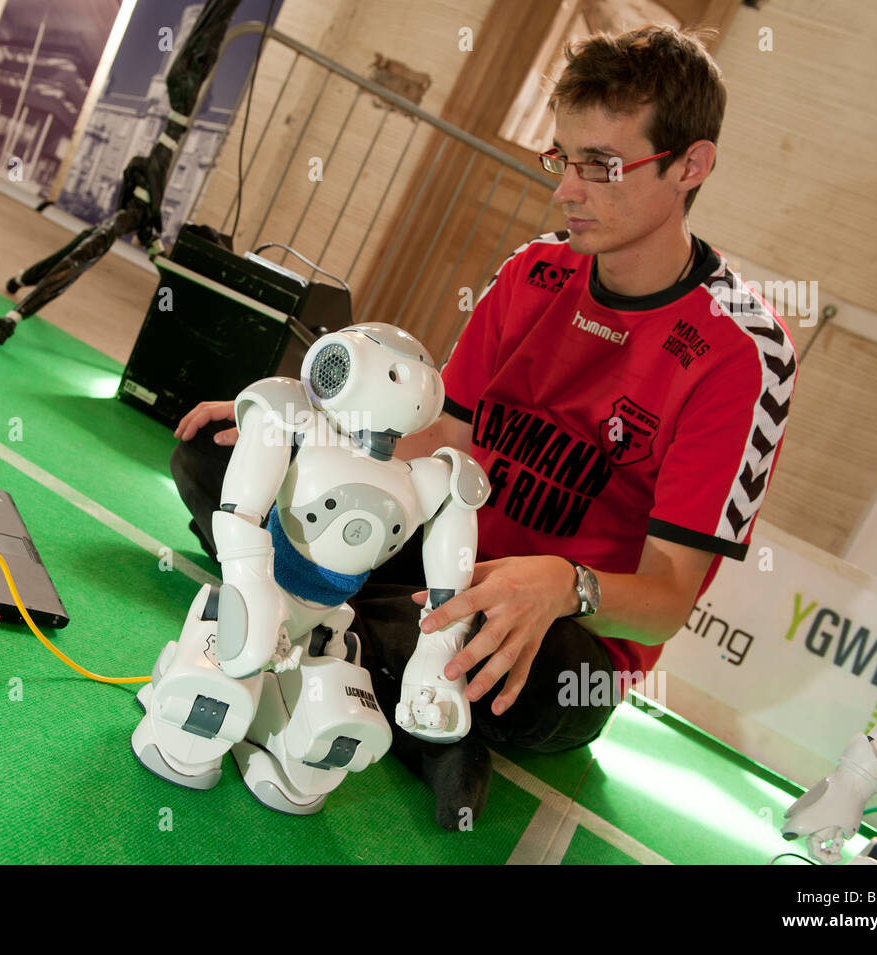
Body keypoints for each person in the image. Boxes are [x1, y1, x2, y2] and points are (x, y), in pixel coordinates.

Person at [169, 24, 796, 829]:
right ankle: (414, 708)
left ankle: (339, 642)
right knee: (212, 460)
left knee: (507, 657)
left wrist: (563, 582)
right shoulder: (539, 269)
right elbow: (445, 437)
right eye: (562, 159)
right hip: (438, 558)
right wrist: (302, 432)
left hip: (567, 638)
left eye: (602, 166)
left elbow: (667, 599)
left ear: (691, 166)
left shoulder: (740, 351)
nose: (567, 191)